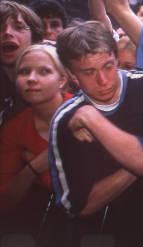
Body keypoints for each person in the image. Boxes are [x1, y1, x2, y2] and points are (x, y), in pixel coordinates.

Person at [49, 21, 143, 246]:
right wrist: (138, 154)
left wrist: (92, 119)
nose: (103, 80)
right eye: (89, 72)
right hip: (101, 235)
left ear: (115, 57)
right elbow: (80, 207)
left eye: (109, 66)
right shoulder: (64, 121)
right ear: (71, 75)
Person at [0, 45, 70, 243]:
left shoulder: (85, 114)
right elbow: (4, 199)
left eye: (44, 71)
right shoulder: (14, 129)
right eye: (24, 71)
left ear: (62, 80)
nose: (31, 78)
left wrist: (43, 170)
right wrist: (33, 168)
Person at [1, 1, 44, 125]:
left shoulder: (51, 87)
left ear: (34, 38)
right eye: (0, 27)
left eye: (18, 27)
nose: (7, 32)